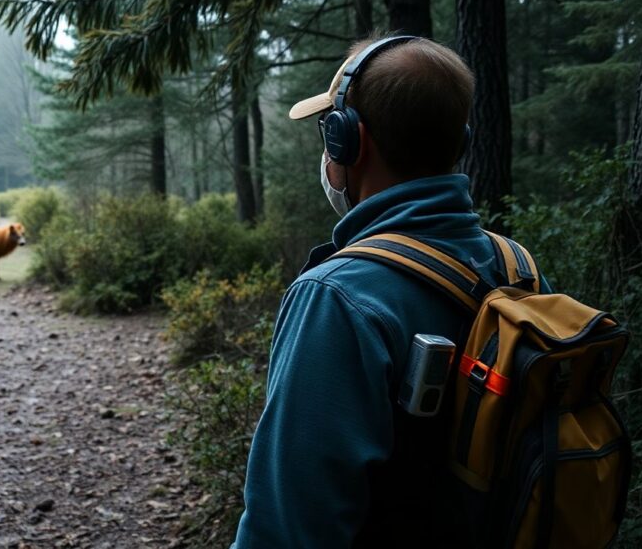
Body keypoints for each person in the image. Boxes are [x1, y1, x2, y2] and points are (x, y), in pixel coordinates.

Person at [231, 34, 548, 548]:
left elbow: (289, 527)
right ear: (458, 139)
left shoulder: (336, 296)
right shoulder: (519, 268)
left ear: (347, 140)